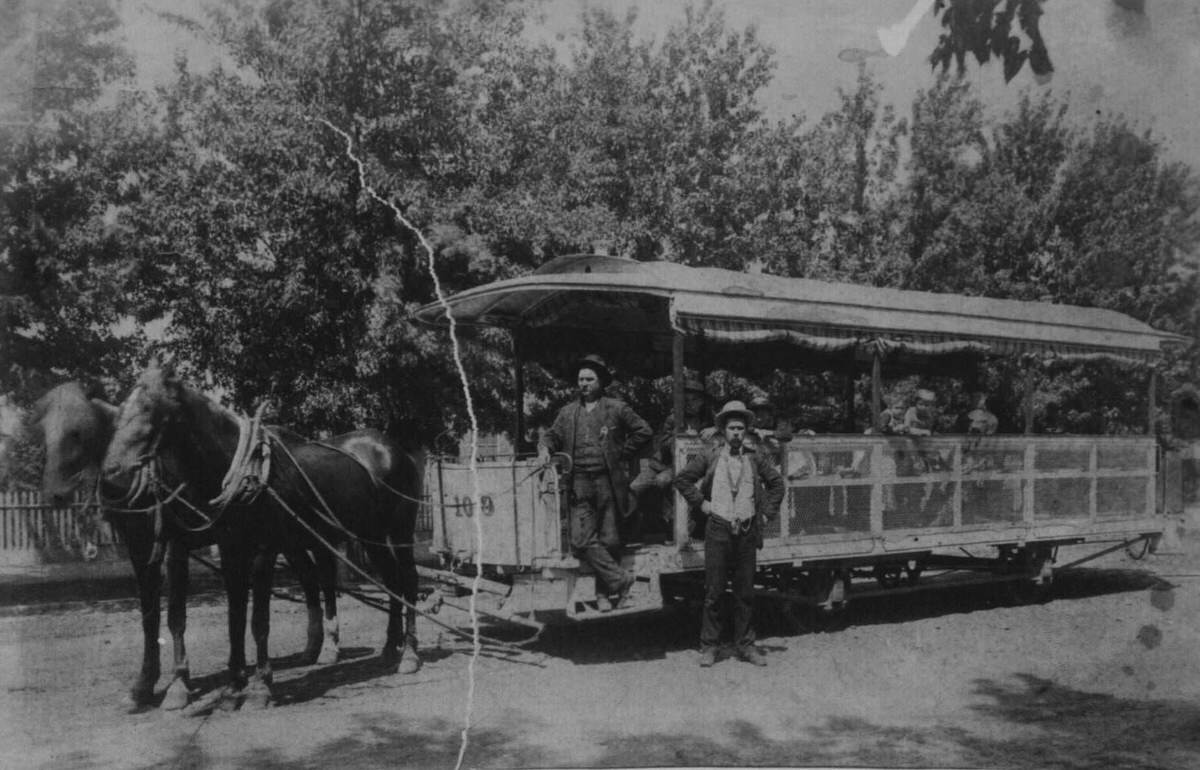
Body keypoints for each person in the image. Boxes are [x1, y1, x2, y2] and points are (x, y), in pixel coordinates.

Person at [674, 401, 785, 667]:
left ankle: (746, 646)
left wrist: (766, 515)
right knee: (714, 592)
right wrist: (701, 503)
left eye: (740, 428)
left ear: (746, 430)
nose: (736, 432)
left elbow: (777, 484)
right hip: (718, 530)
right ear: (723, 429)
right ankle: (709, 647)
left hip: (747, 530)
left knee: (745, 592)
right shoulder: (711, 455)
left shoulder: (754, 455)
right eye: (731, 428)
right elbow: (683, 479)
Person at [539, 355, 652, 608]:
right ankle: (622, 580)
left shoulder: (616, 408)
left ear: (601, 382)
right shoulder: (568, 413)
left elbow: (644, 431)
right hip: (579, 483)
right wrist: (544, 449)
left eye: (589, 379)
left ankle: (605, 595)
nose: (584, 384)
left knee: (610, 540)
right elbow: (551, 436)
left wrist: (622, 452)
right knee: (581, 540)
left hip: (608, 483)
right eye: (581, 379)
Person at [631, 377, 712, 532]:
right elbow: (664, 444)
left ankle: (668, 525)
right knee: (635, 488)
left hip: (686, 467)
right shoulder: (674, 418)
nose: (690, 404)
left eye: (694, 400)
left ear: (702, 402)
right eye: (686, 400)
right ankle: (641, 525)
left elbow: (721, 433)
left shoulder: (707, 419)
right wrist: (681, 436)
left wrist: (714, 430)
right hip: (662, 464)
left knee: (662, 482)